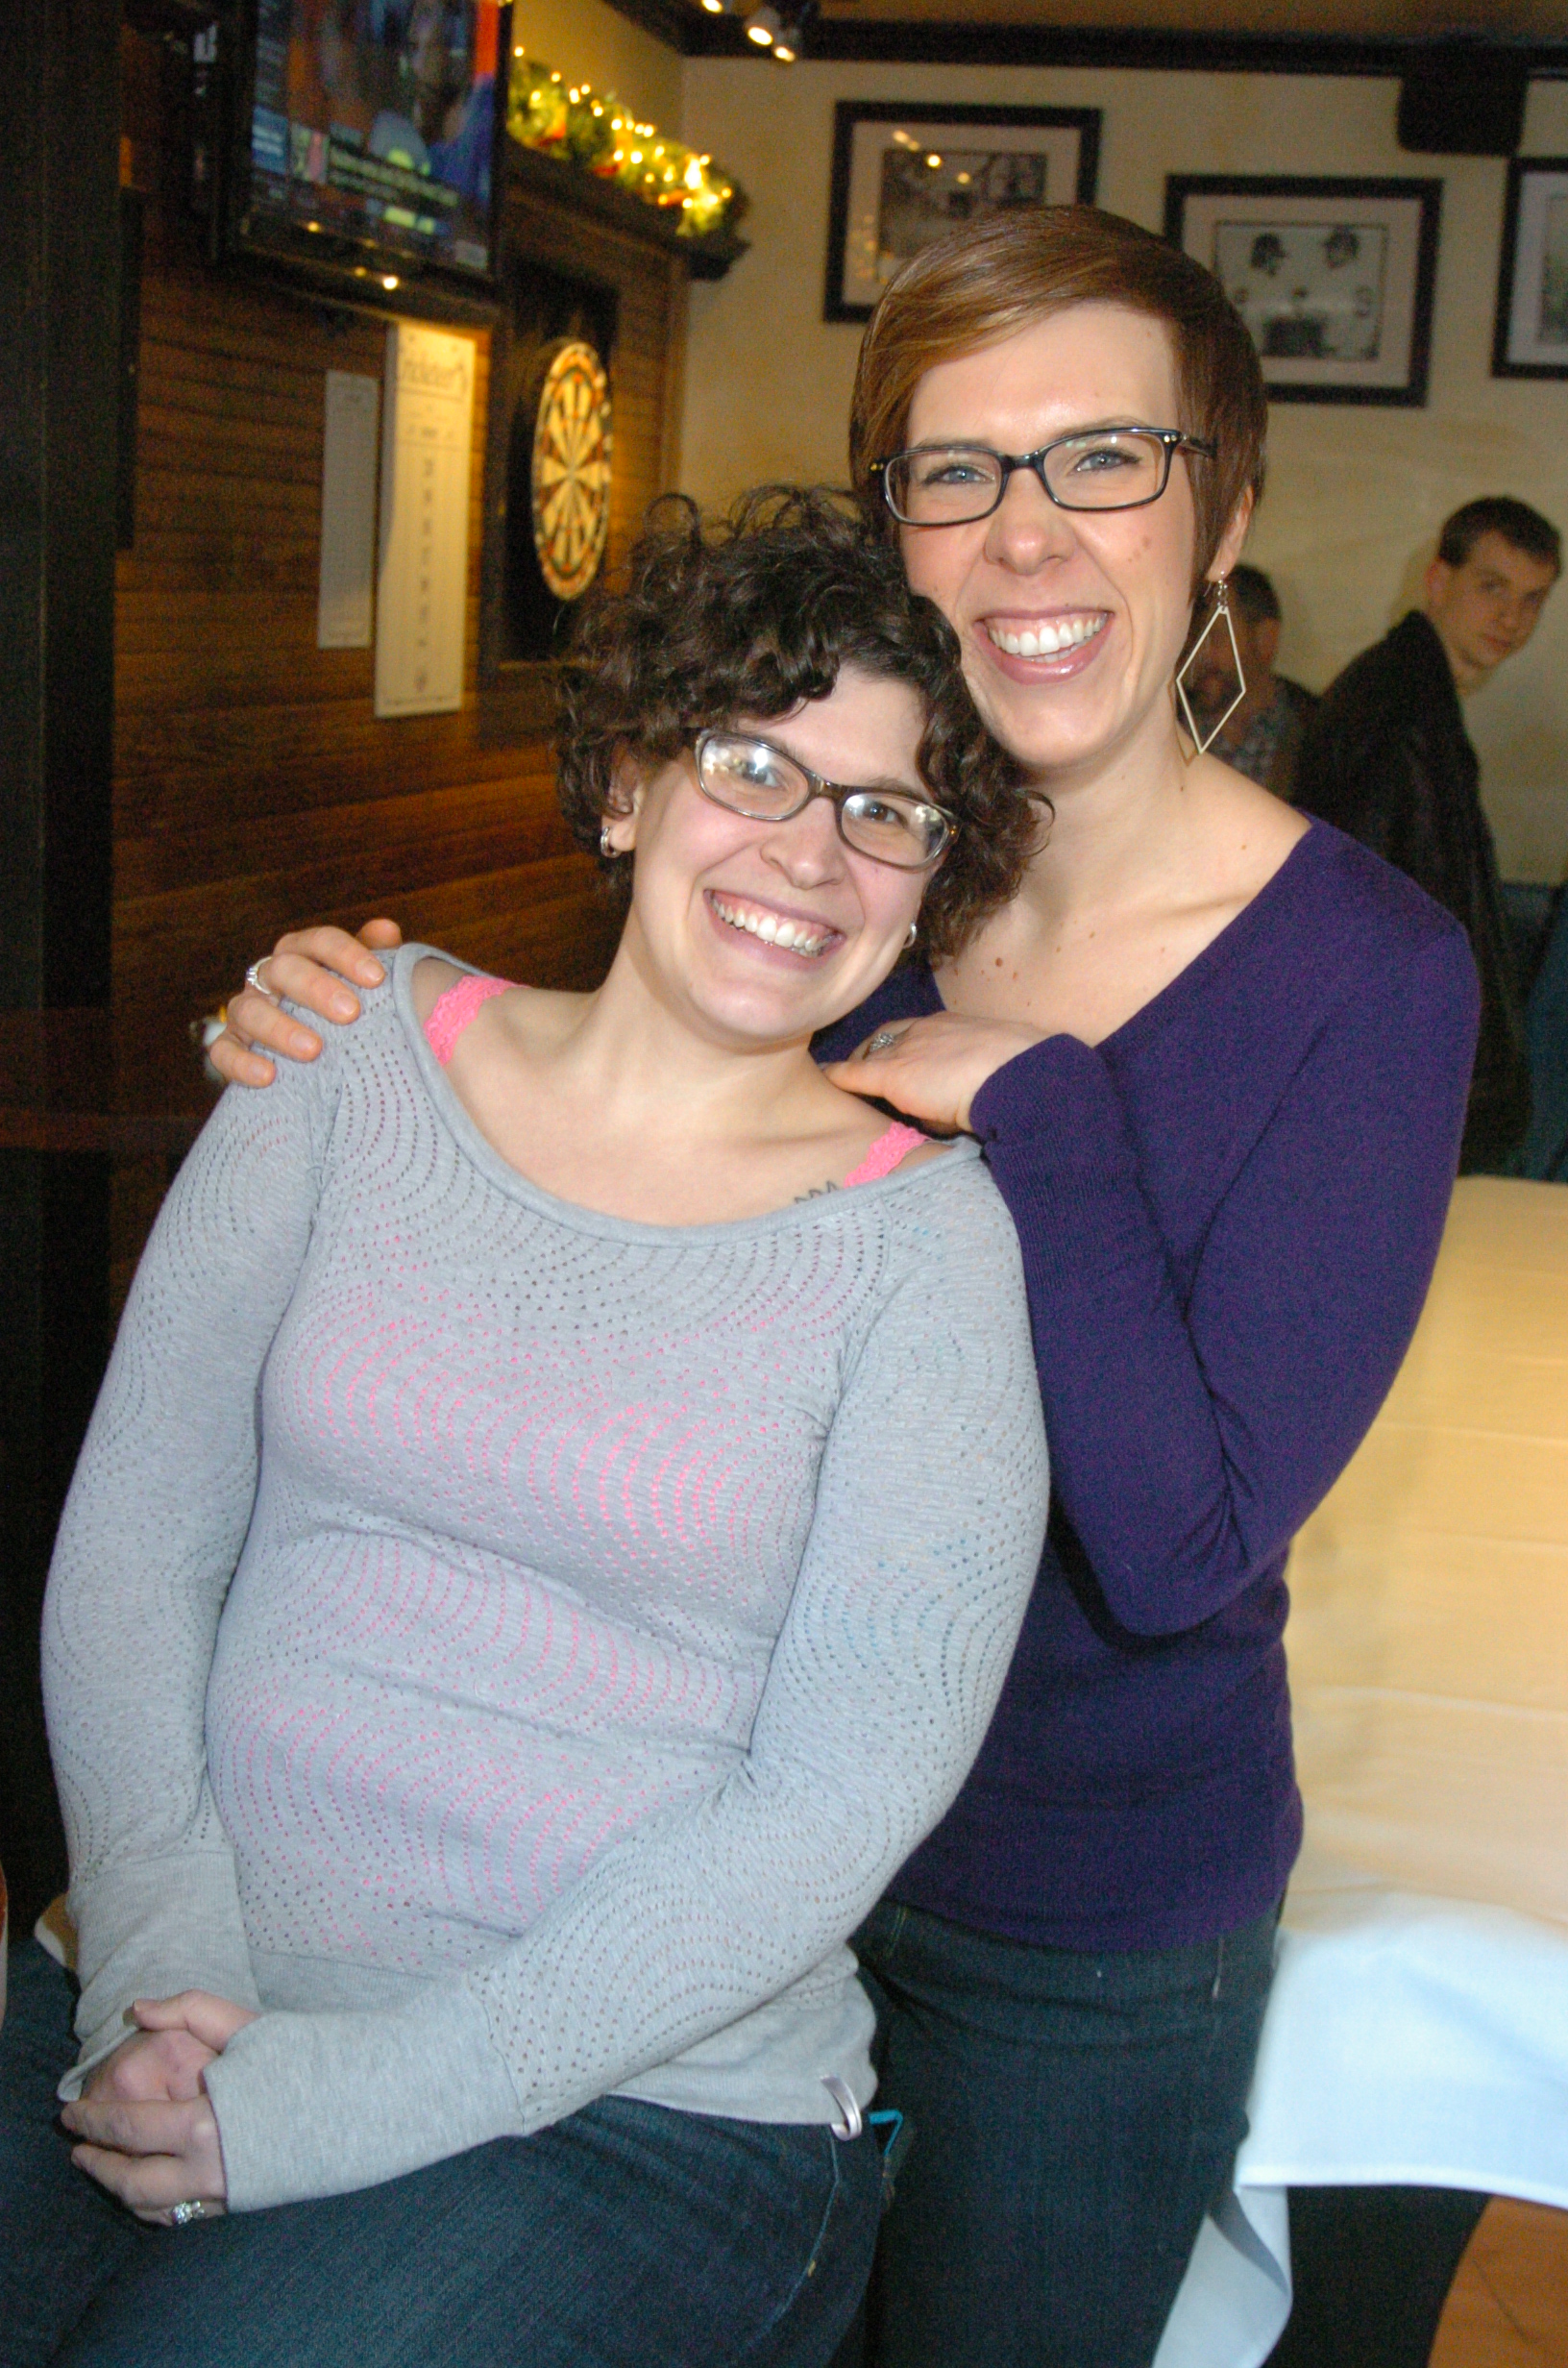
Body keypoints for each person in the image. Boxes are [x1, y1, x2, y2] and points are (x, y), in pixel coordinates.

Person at [213, 208, 1480, 2368]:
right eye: (956, 469)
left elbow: (1177, 1548)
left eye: (1104, 458)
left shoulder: (1367, 973)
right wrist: (355, 1026)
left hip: (1057, 1920)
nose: (1023, 531)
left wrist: (1044, 1109)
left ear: (1225, 507)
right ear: (899, 528)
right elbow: (609, 1163)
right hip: (684, 1839)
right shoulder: (847, 869)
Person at [0, 493, 1051, 2368]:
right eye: (755, 764)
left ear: (927, 882)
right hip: (167, 1978)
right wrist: (155, 1974)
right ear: (631, 780)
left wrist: (333, 2100)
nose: (812, 851)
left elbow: (837, 1797)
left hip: (634, 2108)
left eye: (886, 810)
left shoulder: (926, 1249)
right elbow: (139, 1541)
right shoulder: (337, 1052)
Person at [1298, 495, 1561, 1172]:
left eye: (1532, 599)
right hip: (1389, 1074)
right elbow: (1371, 912)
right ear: (1438, 581)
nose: (1512, 618)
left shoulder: (1409, 688)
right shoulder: (1404, 714)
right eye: (1492, 587)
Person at [1182, 560, 1318, 802]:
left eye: (1214, 637)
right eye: (1190, 640)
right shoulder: (1164, 733)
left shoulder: (1318, 736)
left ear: (1266, 639)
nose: (1197, 656)